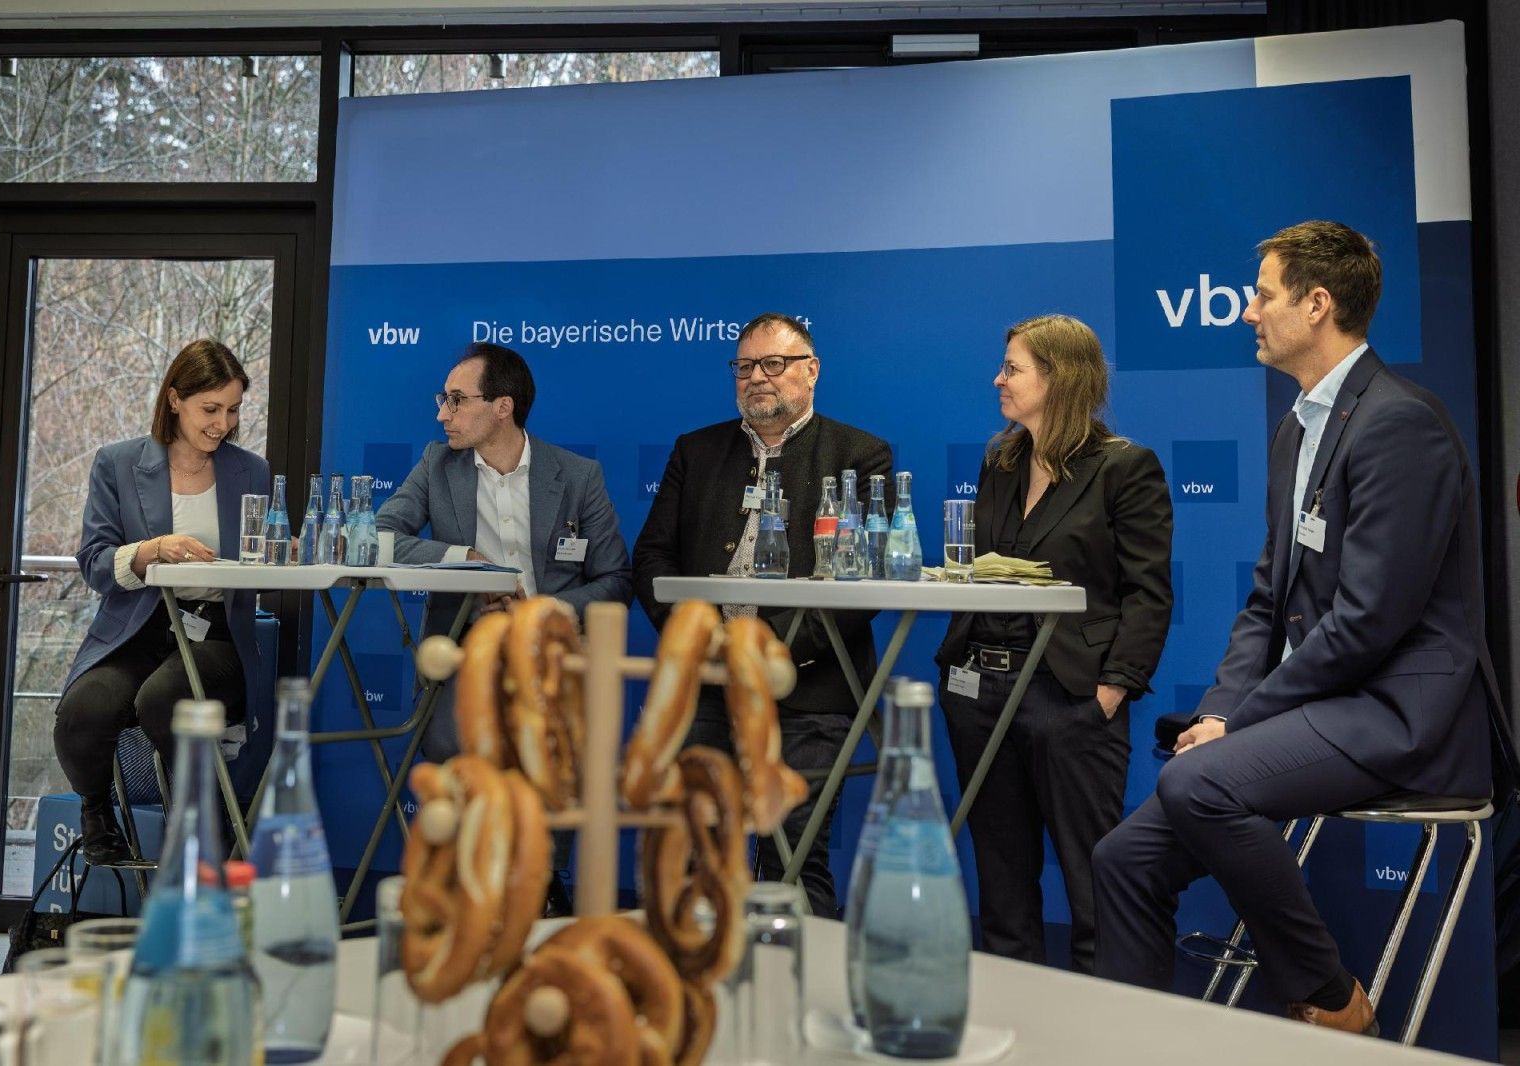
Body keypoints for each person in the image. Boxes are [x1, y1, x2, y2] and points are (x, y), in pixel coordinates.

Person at [1093, 220, 1504, 1034]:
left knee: (1196, 782)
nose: (1249, 312)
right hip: (1326, 702)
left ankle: (1332, 998)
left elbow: (1368, 622)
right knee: (1123, 859)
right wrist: (1221, 710)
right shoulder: (1297, 428)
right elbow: (1267, 602)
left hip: (1397, 712)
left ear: (1317, 305)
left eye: (1263, 295)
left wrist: (1241, 723)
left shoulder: (1400, 424)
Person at [633, 312, 893, 918]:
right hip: (704, 685)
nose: (756, 377)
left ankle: (800, 976)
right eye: (745, 366)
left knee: (793, 860)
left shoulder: (859, 455)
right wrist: (696, 638)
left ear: (812, 370)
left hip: (808, 691)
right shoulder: (695, 451)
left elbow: (867, 582)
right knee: (693, 856)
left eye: (773, 364)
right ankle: (699, 975)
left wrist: (768, 651)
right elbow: (652, 558)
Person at [935, 314, 1172, 974]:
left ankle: (1104, 1024)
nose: (998, 379)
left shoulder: (1124, 468)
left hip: (1068, 700)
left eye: (1012, 368)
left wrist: (1110, 692)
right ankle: (1017, 1020)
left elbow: (1148, 593)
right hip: (979, 694)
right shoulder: (1000, 460)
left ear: (1059, 378)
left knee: (1094, 889)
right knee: (1002, 888)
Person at [56, 339, 268, 866]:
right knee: (83, 711)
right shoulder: (118, 464)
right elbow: (95, 563)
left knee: (164, 698)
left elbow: (262, 563)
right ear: (175, 399)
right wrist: (152, 550)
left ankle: (206, 826)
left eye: (233, 410)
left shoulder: (251, 472)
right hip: (139, 628)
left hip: (217, 635)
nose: (223, 424)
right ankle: (96, 812)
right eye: (210, 409)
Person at [376, 341, 633, 762]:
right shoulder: (436, 465)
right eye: (444, 400)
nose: (442, 415)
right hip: (465, 647)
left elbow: (616, 581)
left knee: (554, 759)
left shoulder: (578, 476)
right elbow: (380, 535)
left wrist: (541, 611)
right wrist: (466, 561)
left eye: (457, 400)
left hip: (551, 649)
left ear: (502, 406)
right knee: (450, 747)